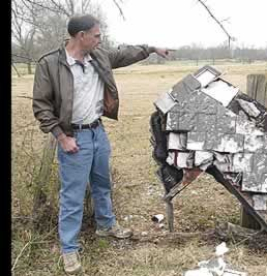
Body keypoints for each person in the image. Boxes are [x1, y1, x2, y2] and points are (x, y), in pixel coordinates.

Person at [32, 14, 170, 274]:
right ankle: (69, 249)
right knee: (72, 196)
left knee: (102, 184)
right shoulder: (51, 64)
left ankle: (106, 225)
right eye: (96, 35)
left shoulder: (99, 55)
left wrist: (151, 49)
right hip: (74, 136)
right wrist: (62, 138)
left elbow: (125, 53)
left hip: (98, 132)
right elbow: (41, 107)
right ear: (81, 36)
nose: (101, 39)